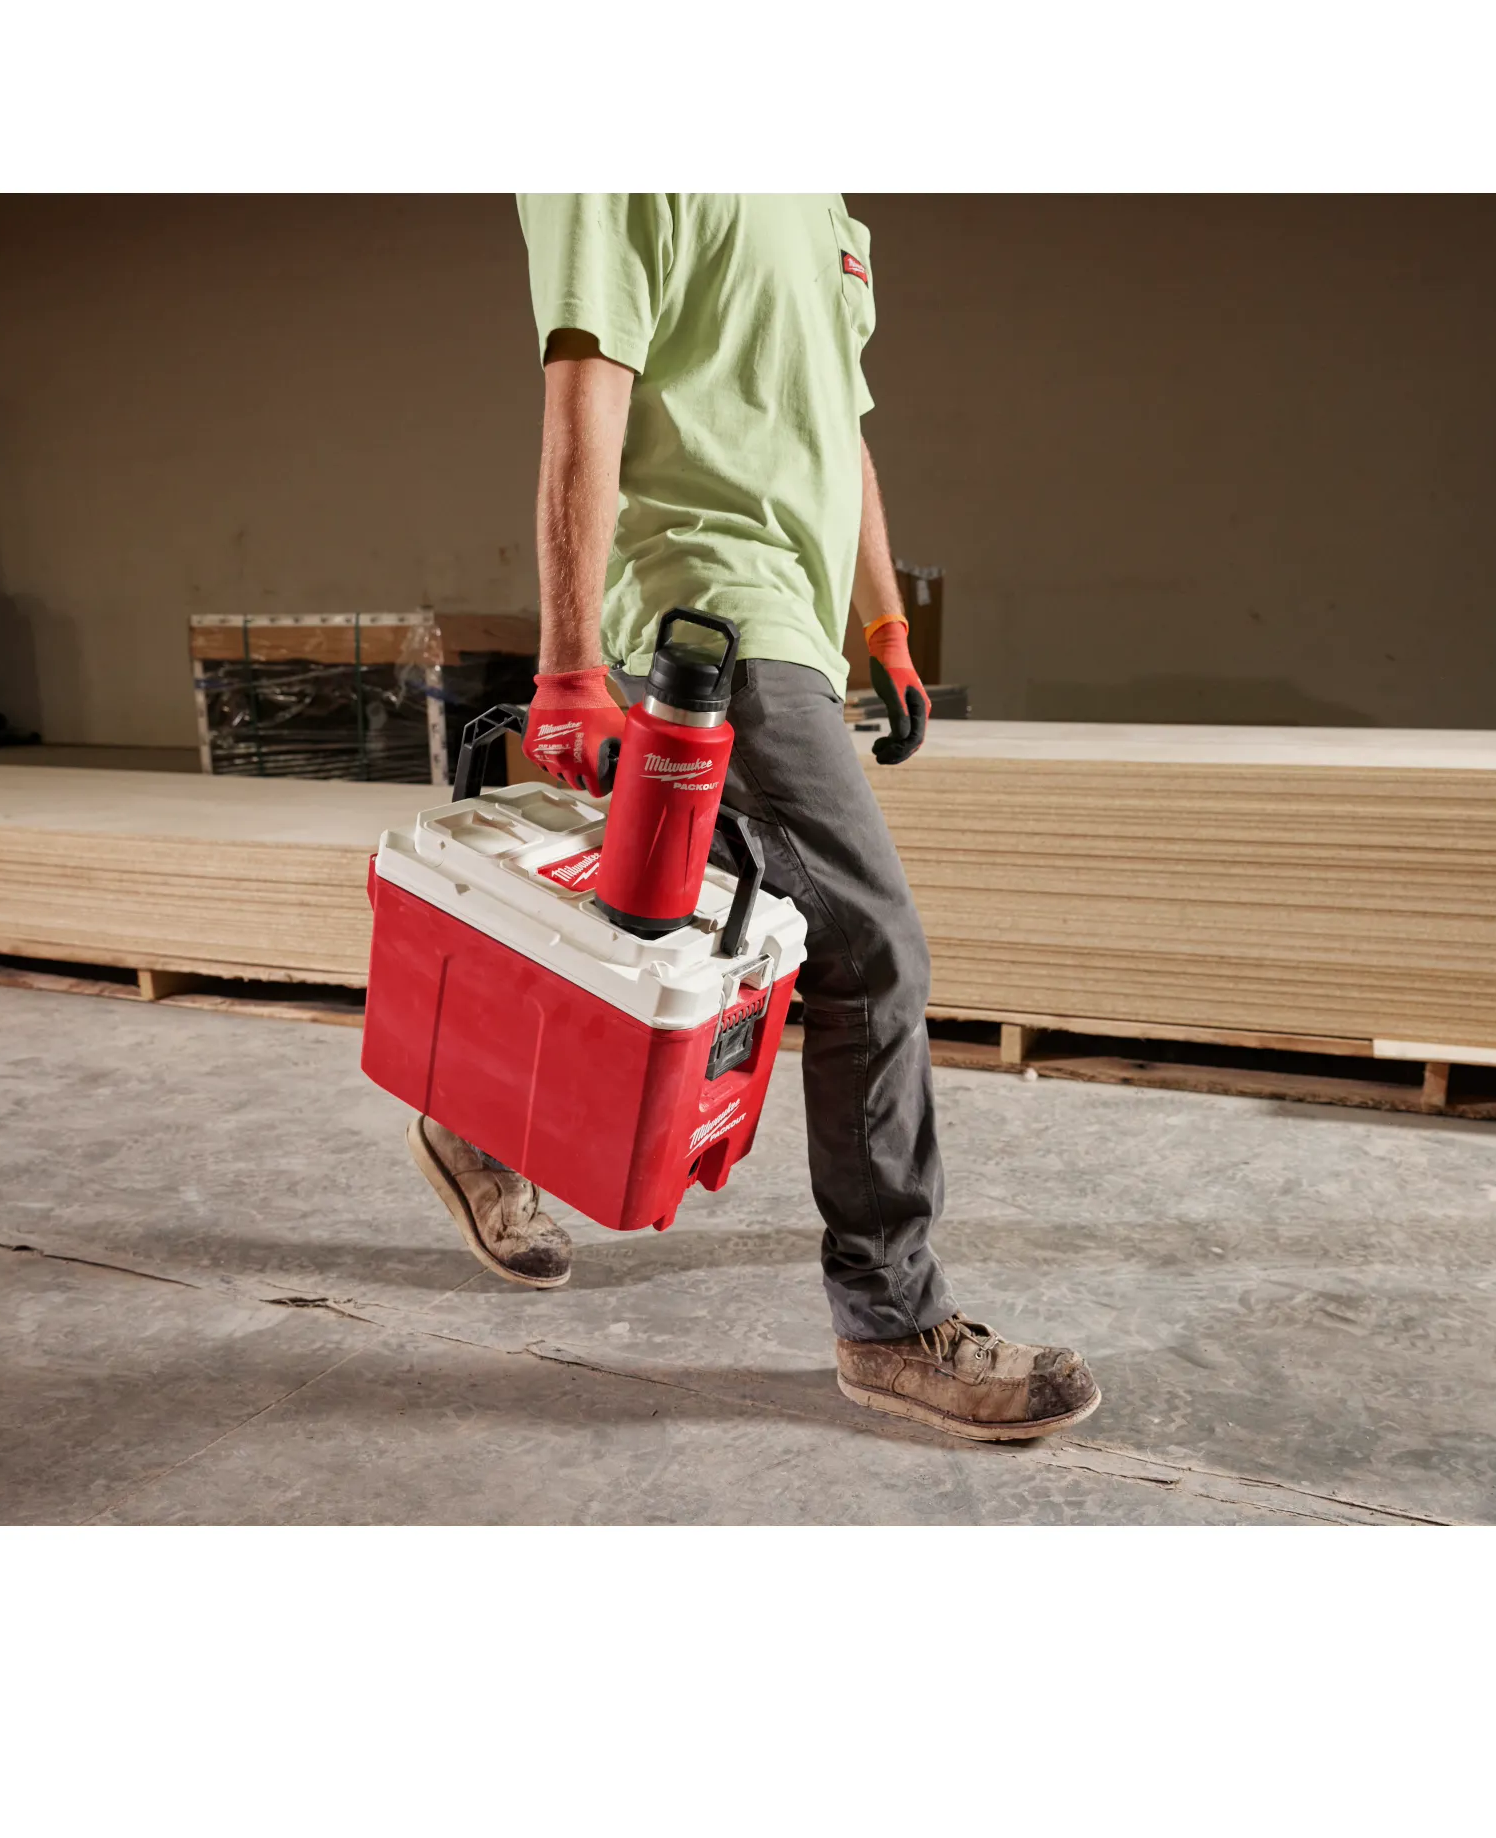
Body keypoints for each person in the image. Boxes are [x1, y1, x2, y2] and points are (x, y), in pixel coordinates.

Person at [404, 194, 1100, 1443]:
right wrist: (566, 659)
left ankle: (475, 1114)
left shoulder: (825, 204)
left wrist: (881, 620)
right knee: (871, 948)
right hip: (703, 610)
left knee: (660, 933)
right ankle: (891, 1323)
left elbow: (840, 438)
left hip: (788, 618)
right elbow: (585, 386)